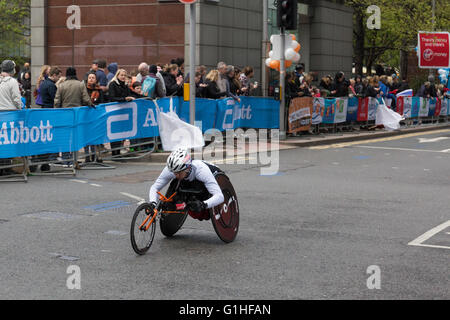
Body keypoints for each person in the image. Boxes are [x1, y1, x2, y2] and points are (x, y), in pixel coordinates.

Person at [147, 148, 224, 216]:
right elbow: (155, 187)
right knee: (183, 201)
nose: (176, 175)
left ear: (187, 168)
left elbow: (220, 196)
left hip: (213, 175)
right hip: (190, 180)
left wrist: (203, 205)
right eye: (174, 172)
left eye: (179, 172)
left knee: (201, 212)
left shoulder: (201, 171)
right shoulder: (171, 169)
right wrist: (153, 203)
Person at [0, 60, 24, 175]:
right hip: (10, 115)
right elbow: (16, 99)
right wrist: (20, 108)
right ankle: (6, 166)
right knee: (9, 140)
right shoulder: (12, 81)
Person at [108, 68, 135, 156]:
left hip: (123, 112)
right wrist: (124, 99)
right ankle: (114, 153)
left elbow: (131, 94)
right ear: (117, 75)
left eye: (124, 75)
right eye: (121, 75)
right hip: (114, 112)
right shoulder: (113, 84)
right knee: (114, 132)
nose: (123, 77)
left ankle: (118, 152)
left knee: (121, 132)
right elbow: (112, 98)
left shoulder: (125, 85)